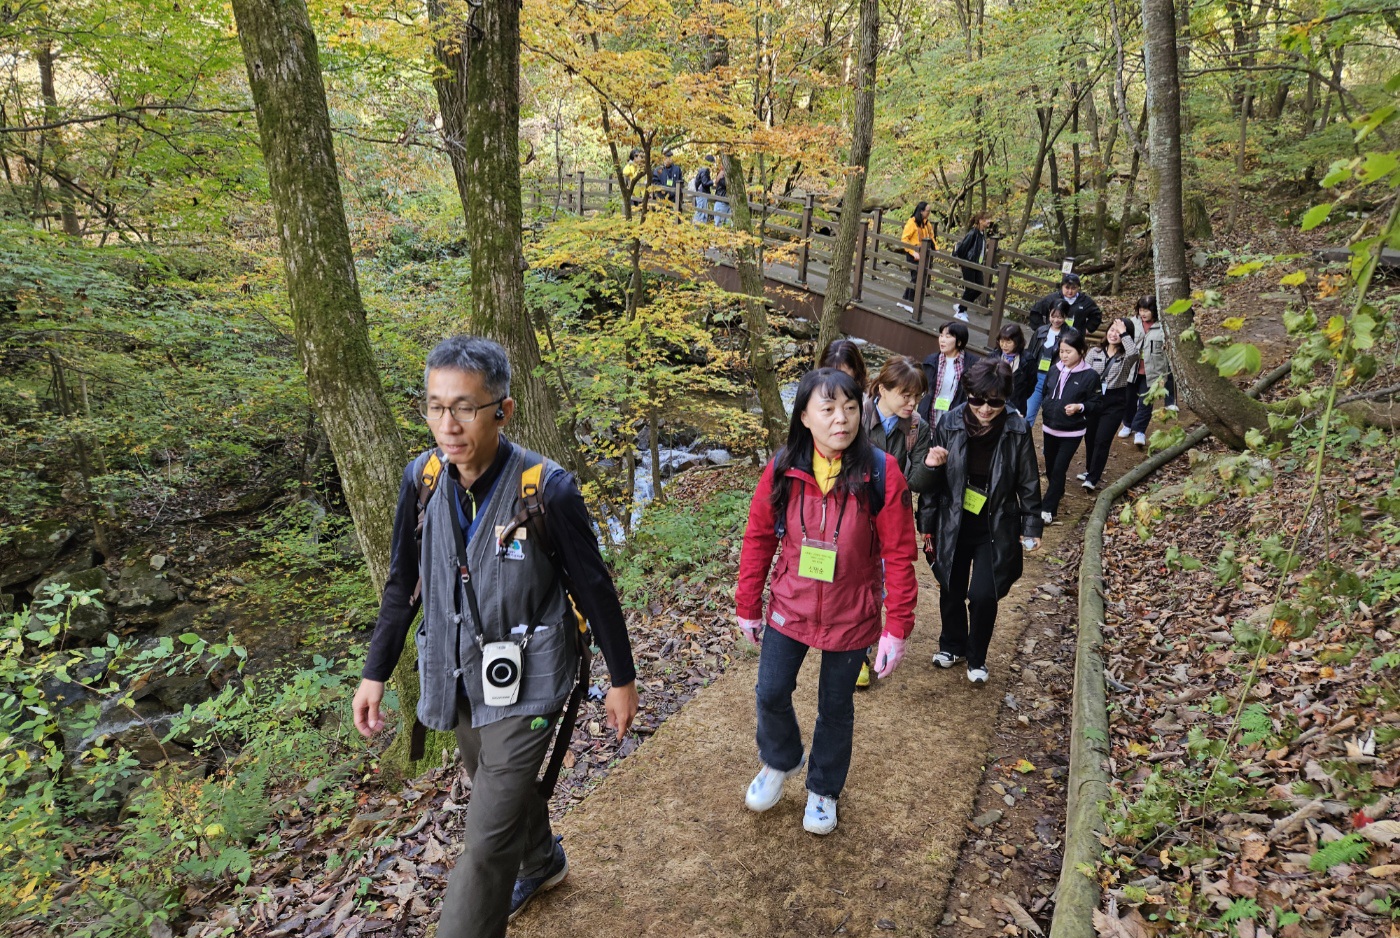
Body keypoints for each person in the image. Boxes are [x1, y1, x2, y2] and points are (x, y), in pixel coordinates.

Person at [352, 336, 639, 938]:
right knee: (493, 785)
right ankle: (543, 861)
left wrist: (621, 678)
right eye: (435, 407)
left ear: (502, 411)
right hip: (459, 674)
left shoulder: (545, 489)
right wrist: (375, 670)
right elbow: (404, 581)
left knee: (483, 844)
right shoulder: (423, 480)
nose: (447, 425)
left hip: (530, 680)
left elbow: (594, 588)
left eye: (464, 407)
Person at [734, 368, 918, 835]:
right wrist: (747, 604)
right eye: (829, 408)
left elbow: (899, 553)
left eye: (851, 408)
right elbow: (758, 537)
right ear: (805, 416)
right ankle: (781, 759)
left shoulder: (880, 470)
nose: (843, 419)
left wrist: (896, 626)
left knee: (835, 706)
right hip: (790, 605)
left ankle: (823, 788)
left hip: (851, 610)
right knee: (771, 691)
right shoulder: (783, 466)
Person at [918, 357, 1042, 684]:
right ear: (967, 393)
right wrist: (927, 524)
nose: (985, 408)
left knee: (984, 594)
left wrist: (1031, 525)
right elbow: (934, 480)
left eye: (995, 402)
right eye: (977, 400)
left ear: (1006, 398)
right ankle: (952, 644)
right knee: (951, 586)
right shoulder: (949, 422)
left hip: (996, 522)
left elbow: (1028, 481)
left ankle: (977, 657)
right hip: (954, 520)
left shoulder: (1017, 427)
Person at [856, 355, 934, 688]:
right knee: (854, 582)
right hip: (854, 518)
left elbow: (915, 481)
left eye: (917, 396)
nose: (912, 402)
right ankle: (856, 654)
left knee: (883, 582)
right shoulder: (855, 415)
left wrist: (930, 466)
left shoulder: (918, 427)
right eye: (905, 394)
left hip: (891, 520)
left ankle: (867, 645)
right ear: (883, 388)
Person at [1039, 327, 1101, 523]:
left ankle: (1048, 510)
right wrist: (1047, 406)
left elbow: (1097, 403)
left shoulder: (1090, 375)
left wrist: (1080, 407)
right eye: (1062, 351)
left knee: (1059, 469)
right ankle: (1058, 490)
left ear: (1081, 351)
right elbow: (1045, 393)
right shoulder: (1053, 370)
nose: (1064, 355)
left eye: (1068, 351)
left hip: (1072, 432)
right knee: (1050, 468)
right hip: (1049, 427)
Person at [1081, 317, 1139, 491]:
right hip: (1094, 398)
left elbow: (1135, 352)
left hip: (1115, 400)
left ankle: (1093, 478)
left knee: (1102, 439)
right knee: (1090, 437)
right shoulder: (1095, 352)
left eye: (1118, 332)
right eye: (1112, 330)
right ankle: (1090, 470)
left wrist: (1124, 332)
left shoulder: (1126, 357)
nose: (1114, 334)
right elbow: (1085, 374)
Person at [1124, 295, 1175, 449]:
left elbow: (1169, 353)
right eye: (1141, 310)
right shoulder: (1133, 323)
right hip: (1132, 370)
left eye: (1147, 310)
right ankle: (1127, 424)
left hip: (1152, 371)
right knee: (1128, 400)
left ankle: (1140, 431)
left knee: (1146, 402)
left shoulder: (1163, 326)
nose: (1143, 313)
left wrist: (1165, 375)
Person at [918, 320, 976, 427]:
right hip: (930, 414)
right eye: (941, 336)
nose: (942, 340)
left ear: (959, 342)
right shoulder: (931, 361)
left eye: (948, 337)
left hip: (956, 416)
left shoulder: (973, 364)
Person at [1023, 299, 1069, 425]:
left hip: (1057, 379)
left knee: (1051, 417)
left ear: (1066, 316)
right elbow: (1030, 353)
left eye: (1060, 317)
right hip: (1037, 376)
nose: (1056, 320)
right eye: (1053, 316)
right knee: (1027, 414)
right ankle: (1022, 443)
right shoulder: (1041, 331)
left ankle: (1049, 444)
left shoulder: (1070, 334)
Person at [1028, 272, 1102, 337]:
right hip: (1052, 336)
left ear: (1078, 288)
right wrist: (1042, 328)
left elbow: (1096, 315)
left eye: (1073, 288)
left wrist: (1087, 329)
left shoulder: (1085, 301)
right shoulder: (1051, 299)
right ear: (1062, 286)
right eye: (1067, 288)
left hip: (1075, 339)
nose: (1070, 291)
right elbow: (1035, 311)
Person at [951, 213, 992, 322]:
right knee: (970, 289)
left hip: (977, 265)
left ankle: (961, 305)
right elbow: (963, 248)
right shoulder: (973, 233)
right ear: (980, 221)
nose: (989, 221)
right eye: (987, 218)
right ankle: (960, 312)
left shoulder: (981, 233)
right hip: (969, 264)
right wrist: (964, 262)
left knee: (980, 288)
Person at [899, 201, 935, 310]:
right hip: (913, 254)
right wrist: (912, 251)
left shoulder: (926, 223)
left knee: (916, 277)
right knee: (916, 278)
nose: (929, 213)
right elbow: (904, 239)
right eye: (927, 211)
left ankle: (905, 299)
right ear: (921, 211)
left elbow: (931, 237)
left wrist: (935, 249)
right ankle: (910, 302)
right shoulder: (911, 223)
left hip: (922, 254)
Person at [995, 323, 1037, 416]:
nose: (1004, 345)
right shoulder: (993, 357)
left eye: (1008, 342)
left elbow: (1031, 385)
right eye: (1002, 341)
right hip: (994, 404)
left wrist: (1019, 397)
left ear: (1017, 342)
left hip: (1017, 406)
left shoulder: (1028, 361)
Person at [692, 155, 714, 224]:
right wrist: (713, 182)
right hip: (702, 194)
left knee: (703, 213)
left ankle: (699, 228)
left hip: (702, 193)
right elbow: (705, 183)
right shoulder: (704, 170)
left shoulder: (703, 170)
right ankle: (696, 229)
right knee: (700, 213)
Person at [711, 157, 729, 227]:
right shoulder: (722, 175)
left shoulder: (726, 174)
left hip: (727, 202)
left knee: (727, 225)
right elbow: (725, 184)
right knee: (718, 224)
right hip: (721, 202)